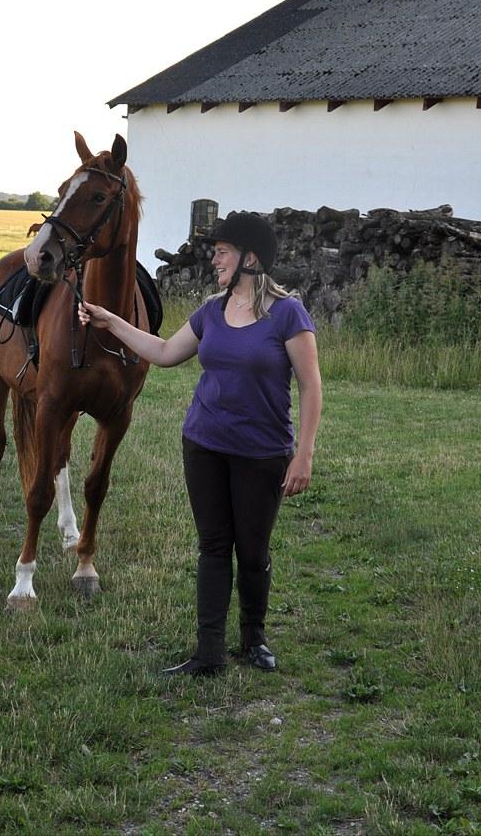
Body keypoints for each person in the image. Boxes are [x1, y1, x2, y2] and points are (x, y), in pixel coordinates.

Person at [78, 212, 322, 676]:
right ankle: (208, 652)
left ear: (250, 258)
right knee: (213, 546)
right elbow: (167, 352)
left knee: (252, 551)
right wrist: (111, 323)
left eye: (223, 250)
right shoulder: (212, 309)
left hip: (262, 451)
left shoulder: (288, 313)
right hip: (204, 444)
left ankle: (254, 636)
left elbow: (311, 386)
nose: (214, 258)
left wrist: (304, 453)